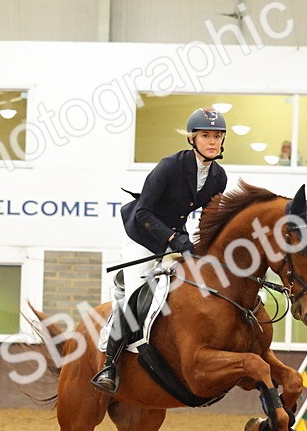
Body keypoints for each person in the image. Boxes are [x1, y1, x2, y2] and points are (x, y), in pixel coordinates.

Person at [89, 107, 228, 394]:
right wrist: (173, 240)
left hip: (177, 240)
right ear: (192, 139)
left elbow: (208, 218)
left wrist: (207, 248)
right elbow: (143, 213)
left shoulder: (218, 176)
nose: (212, 141)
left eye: (217, 136)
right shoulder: (170, 166)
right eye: (206, 136)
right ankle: (109, 364)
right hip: (143, 238)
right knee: (134, 297)